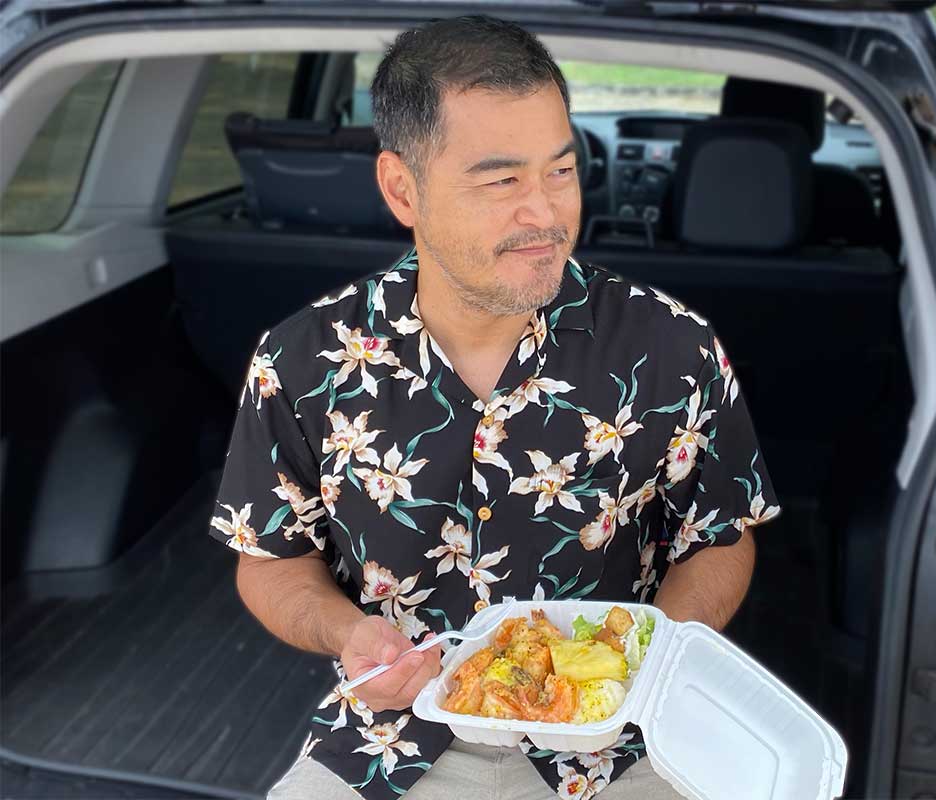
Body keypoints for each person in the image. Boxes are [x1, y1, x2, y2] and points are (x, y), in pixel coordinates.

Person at [209, 14, 781, 800]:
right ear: (401, 188)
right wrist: (351, 636)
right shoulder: (302, 361)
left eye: (561, 171)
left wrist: (648, 660)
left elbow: (721, 538)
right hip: (389, 740)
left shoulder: (671, 348)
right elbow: (270, 559)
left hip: (622, 740)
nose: (545, 214)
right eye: (501, 180)